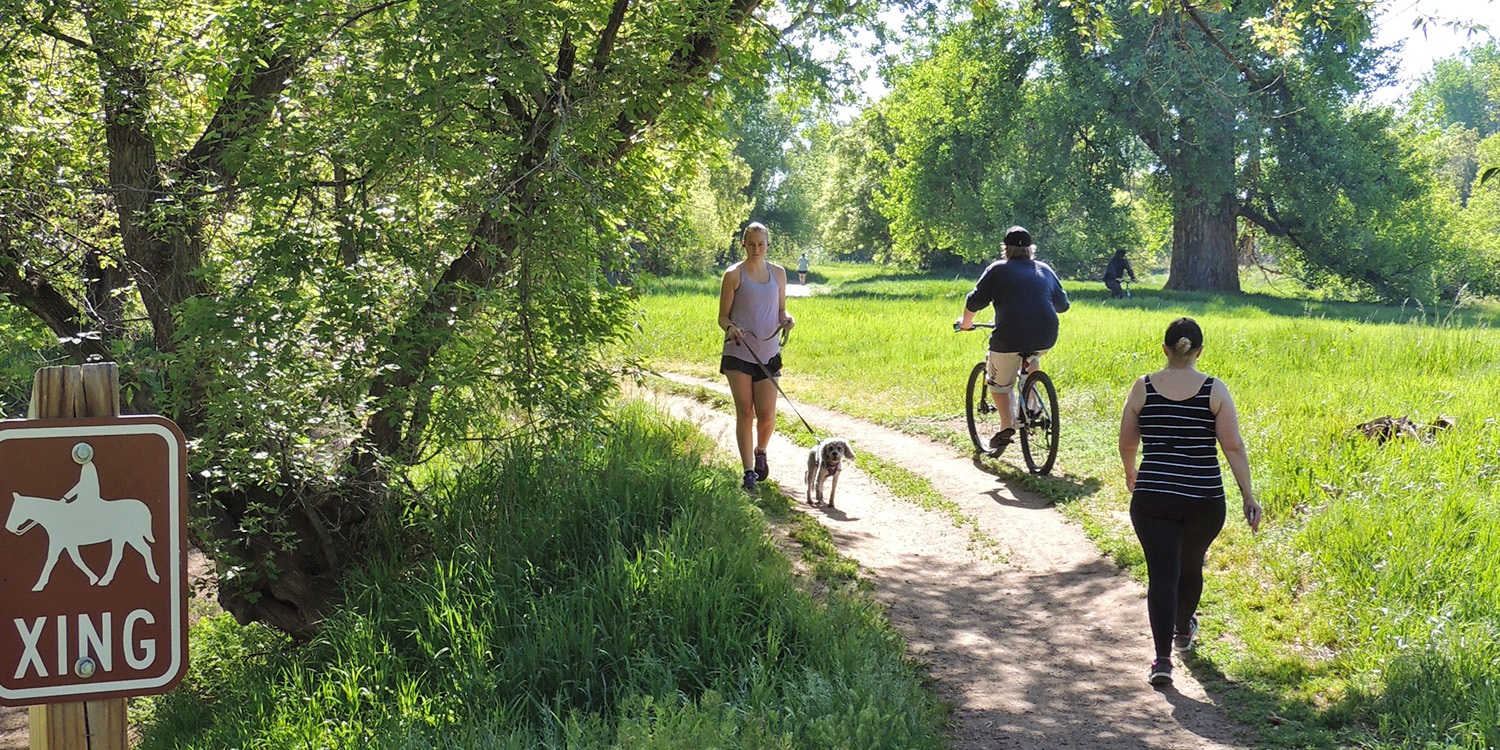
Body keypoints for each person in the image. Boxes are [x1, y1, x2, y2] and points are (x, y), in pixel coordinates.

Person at [1118, 317, 1262, 686]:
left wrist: (1130, 471)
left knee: (1162, 574)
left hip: (1154, 495)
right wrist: (1247, 493)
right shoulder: (1214, 389)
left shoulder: (1143, 387)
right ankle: (1183, 629)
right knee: (1191, 563)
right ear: (1199, 351)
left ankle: (1162, 660)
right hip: (1203, 497)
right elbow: (1232, 445)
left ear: (1164, 349)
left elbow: (1128, 441)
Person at [955, 225, 1070, 456]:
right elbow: (1063, 306)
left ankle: (1007, 426)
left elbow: (975, 300)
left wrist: (966, 323)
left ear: (1005, 249)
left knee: (999, 384)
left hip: (1008, 336)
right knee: (1032, 355)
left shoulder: (997, 269)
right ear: (1031, 249)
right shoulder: (1045, 269)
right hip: (1046, 334)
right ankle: (1033, 405)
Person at [719, 222, 795, 491]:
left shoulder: (779, 274)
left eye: (760, 244)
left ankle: (761, 450)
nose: (756, 249)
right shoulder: (734, 274)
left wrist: (786, 319)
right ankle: (748, 471)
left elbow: (781, 310)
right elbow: (722, 316)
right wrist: (731, 328)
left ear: (767, 245)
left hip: (768, 353)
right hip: (739, 351)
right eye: (751, 244)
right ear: (743, 244)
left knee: (767, 415)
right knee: (745, 412)